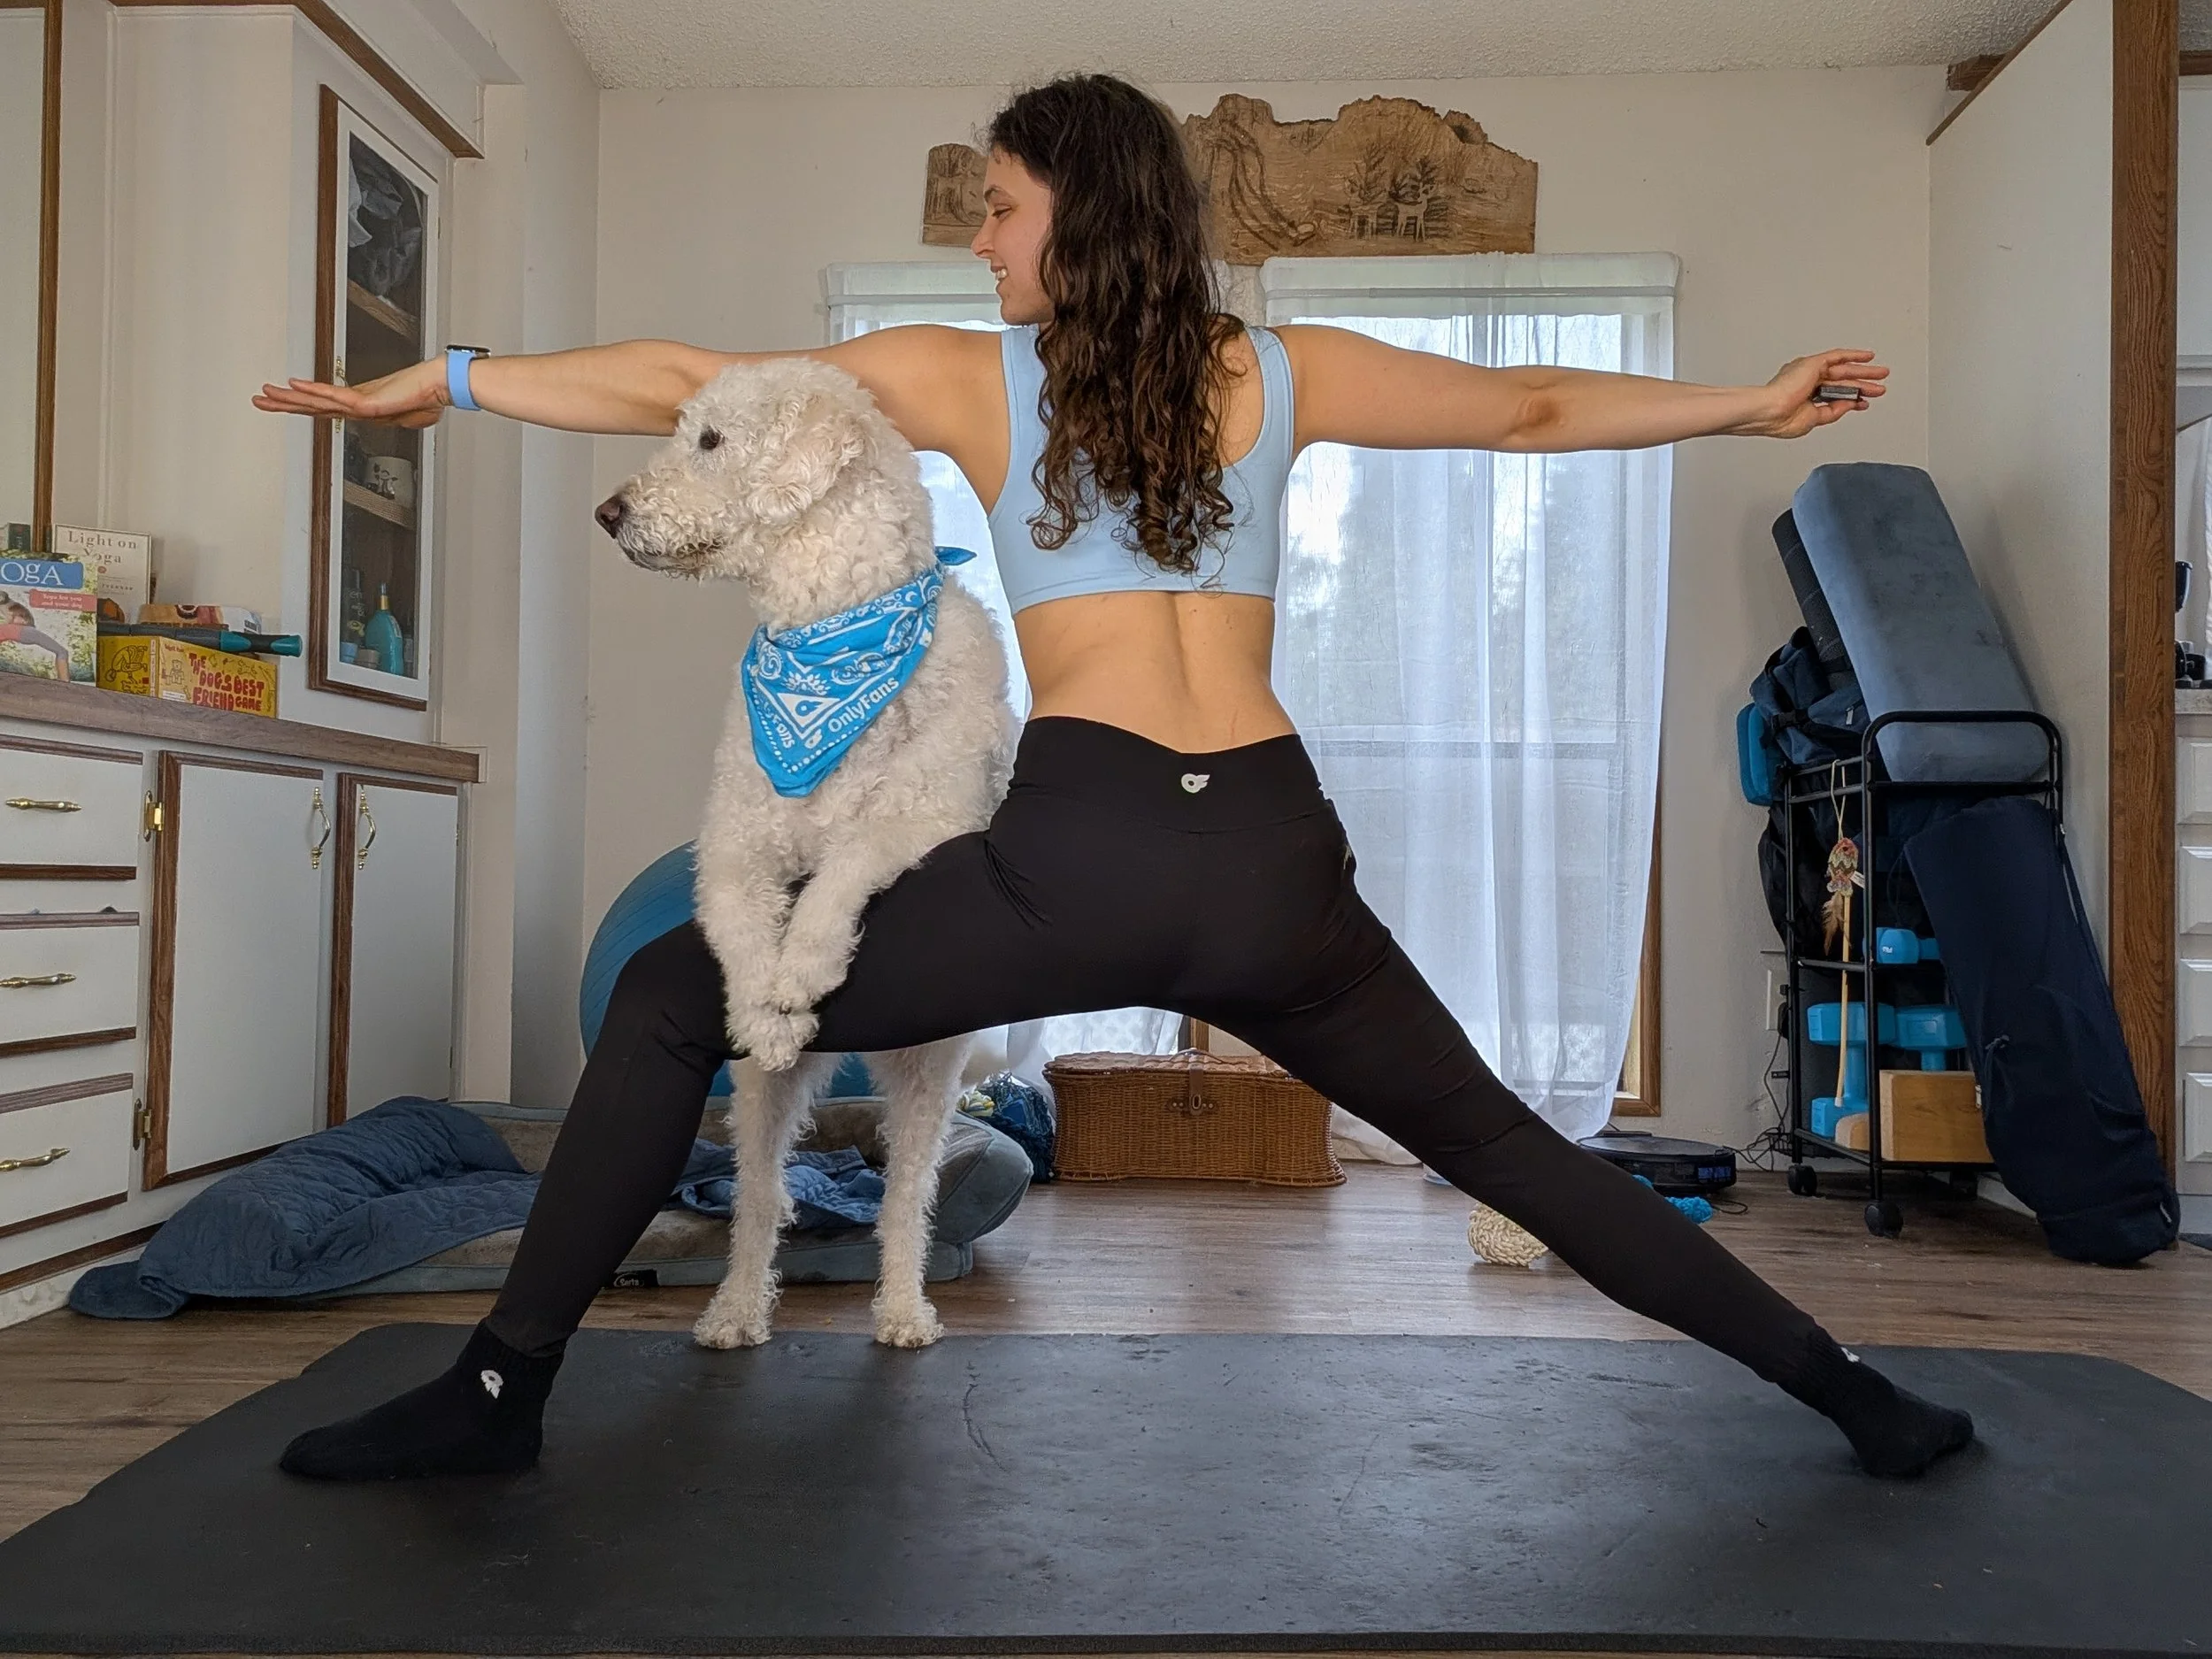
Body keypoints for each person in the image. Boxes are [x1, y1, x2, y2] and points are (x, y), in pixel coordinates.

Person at [253, 73, 1970, 1484]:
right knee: (1506, 1147)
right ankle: (1855, 1398)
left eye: (1001, 205)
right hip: (1271, 862)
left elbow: (686, 384)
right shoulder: (1274, 369)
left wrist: (454, 378)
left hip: (1083, 853)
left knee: (664, 996)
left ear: (1074, 213)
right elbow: (1523, 408)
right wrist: (1747, 405)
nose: (980, 236)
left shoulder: (966, 375)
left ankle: (498, 1394)